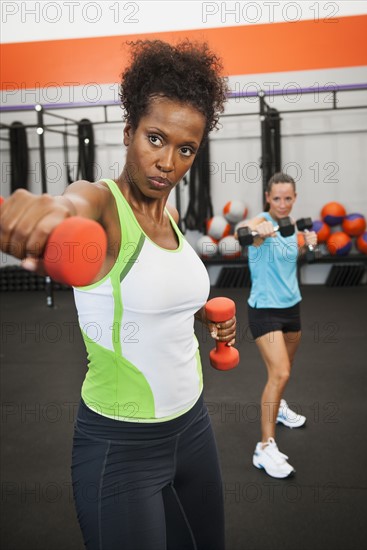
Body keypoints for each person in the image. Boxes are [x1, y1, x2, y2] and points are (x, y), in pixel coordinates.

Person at [0, 40, 236, 550]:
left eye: (185, 148)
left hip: (194, 429)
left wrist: (205, 317)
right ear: (128, 132)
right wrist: (49, 213)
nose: (167, 161)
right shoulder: (104, 205)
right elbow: (72, 202)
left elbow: (157, 295)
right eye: (155, 138)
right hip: (121, 446)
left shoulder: (169, 215)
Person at [236, 172, 317, 479]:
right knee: (279, 372)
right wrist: (257, 229)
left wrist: (306, 244)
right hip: (264, 310)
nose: (282, 204)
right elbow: (242, 233)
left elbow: (288, 257)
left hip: (291, 307)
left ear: (294, 198)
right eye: (276, 198)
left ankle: (279, 406)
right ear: (267, 198)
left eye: (288, 198)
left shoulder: (292, 226)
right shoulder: (261, 223)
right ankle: (264, 447)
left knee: (287, 368)